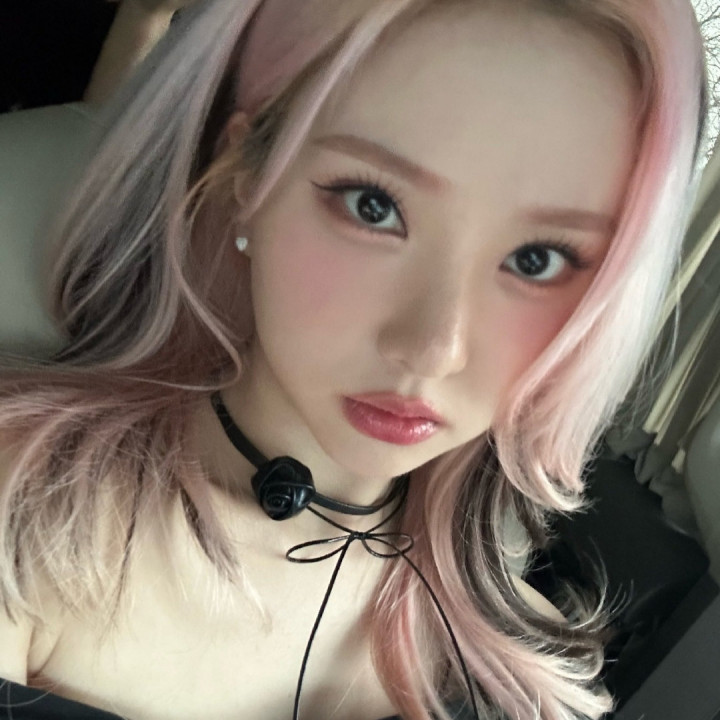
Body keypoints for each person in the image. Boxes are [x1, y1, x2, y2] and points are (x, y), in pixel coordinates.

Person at [0, 0, 708, 718]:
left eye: (538, 259)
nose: (432, 349)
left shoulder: (524, 674)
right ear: (248, 177)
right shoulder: (26, 518)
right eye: (373, 206)